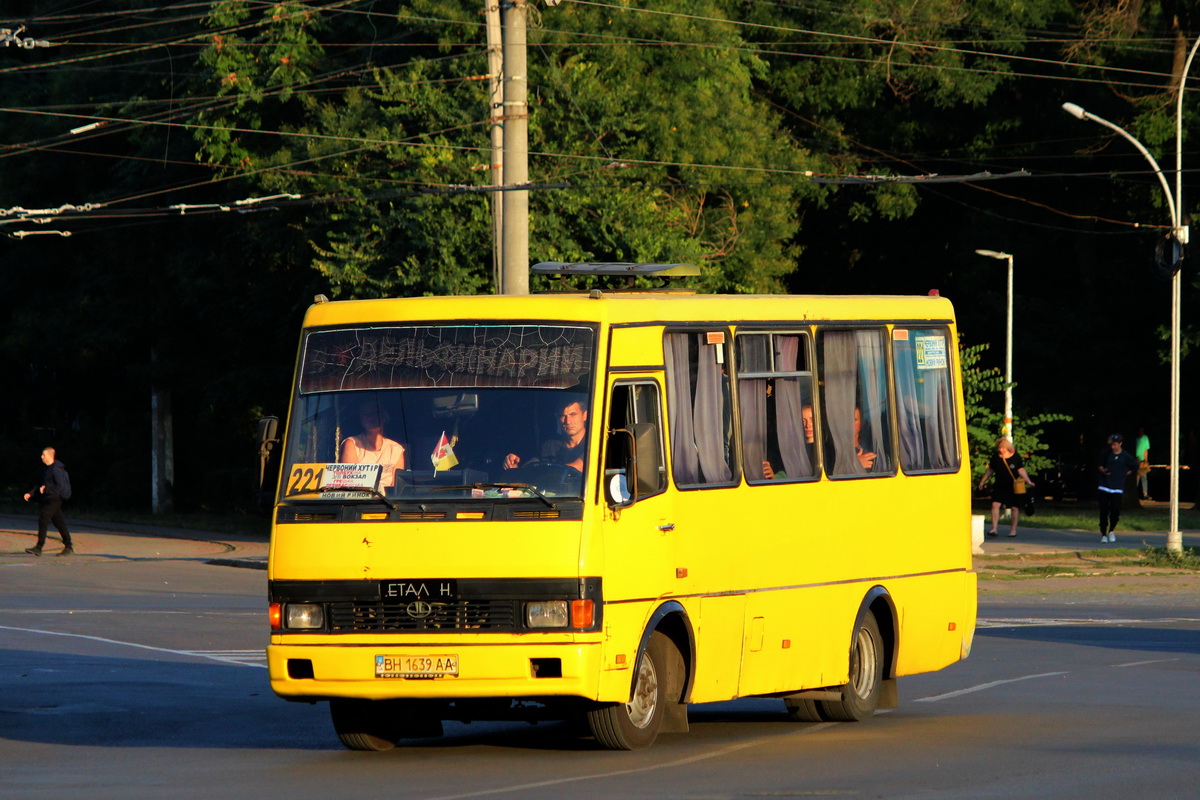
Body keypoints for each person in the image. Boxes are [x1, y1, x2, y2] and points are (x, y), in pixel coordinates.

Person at [504, 399, 588, 473]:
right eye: (562, 416)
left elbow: (577, 467)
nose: (568, 421)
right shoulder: (550, 445)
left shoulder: (594, 443)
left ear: (584, 415)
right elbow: (530, 469)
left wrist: (544, 472)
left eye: (573, 414)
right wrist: (514, 467)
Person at [977, 437, 1035, 538]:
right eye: (1000, 448)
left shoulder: (1015, 457)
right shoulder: (996, 457)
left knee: (1014, 507)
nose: (1001, 450)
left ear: (1008, 447)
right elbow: (990, 471)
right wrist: (982, 481)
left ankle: (1013, 530)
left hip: (1013, 486)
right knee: (995, 505)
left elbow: (1021, 470)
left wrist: (1028, 480)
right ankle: (994, 528)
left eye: (1003, 448)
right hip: (999, 485)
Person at [340, 403, 406, 488]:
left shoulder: (396, 449)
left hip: (387, 500)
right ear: (360, 419)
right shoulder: (352, 443)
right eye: (365, 414)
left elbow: (397, 487)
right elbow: (349, 482)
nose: (370, 417)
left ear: (385, 416)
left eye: (374, 413)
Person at [23, 447, 74, 556]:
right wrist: (30, 493)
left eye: (43, 455)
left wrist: (46, 489)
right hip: (49, 498)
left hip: (55, 499)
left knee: (43, 519)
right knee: (59, 522)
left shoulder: (56, 469)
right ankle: (68, 546)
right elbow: (40, 483)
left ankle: (39, 547)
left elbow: (59, 486)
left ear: (50, 456)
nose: (41, 457)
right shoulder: (47, 469)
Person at [1097, 433, 1140, 543]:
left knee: (1115, 510)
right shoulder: (1106, 453)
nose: (1113, 447)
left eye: (1115, 445)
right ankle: (1103, 534)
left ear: (1120, 444)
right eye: (1112, 445)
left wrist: (1126, 473)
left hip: (1117, 487)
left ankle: (1111, 530)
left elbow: (1135, 466)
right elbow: (1100, 464)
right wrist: (1103, 470)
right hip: (1104, 486)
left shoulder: (1126, 456)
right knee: (1103, 510)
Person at [1134, 426, 1151, 500]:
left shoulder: (1145, 438)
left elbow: (1145, 450)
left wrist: (1146, 460)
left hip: (1143, 460)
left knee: (1144, 477)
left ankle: (1145, 493)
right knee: (1136, 477)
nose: (1141, 433)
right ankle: (1134, 493)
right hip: (1135, 460)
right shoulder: (1135, 439)